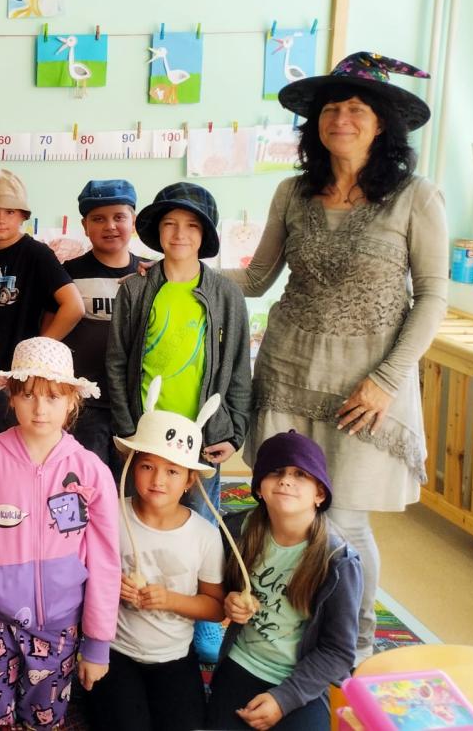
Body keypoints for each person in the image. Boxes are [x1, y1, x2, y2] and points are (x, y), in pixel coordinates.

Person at [225, 53, 448, 665]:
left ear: (382, 124)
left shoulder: (416, 197)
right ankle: (281, 634)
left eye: (356, 109)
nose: (341, 119)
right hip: (288, 373)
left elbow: (433, 296)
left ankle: (354, 646)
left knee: (345, 524)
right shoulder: (292, 193)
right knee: (284, 516)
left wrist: (386, 380)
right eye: (330, 109)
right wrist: (178, 270)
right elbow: (257, 278)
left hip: (366, 388)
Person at [0, 337, 120, 730]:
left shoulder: (92, 471)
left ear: (72, 401)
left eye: (53, 396)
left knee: (44, 718)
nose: (40, 408)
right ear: (12, 397)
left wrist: (98, 643)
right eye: (29, 395)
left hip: (60, 624)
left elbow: (105, 560)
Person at [106, 181, 251, 661]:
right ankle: (125, 613)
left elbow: (239, 369)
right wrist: (128, 427)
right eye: (170, 224)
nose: (180, 234)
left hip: (201, 437)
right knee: (141, 518)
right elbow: (117, 362)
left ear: (205, 235)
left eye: (191, 225)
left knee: (201, 524)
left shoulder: (226, 294)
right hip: (145, 435)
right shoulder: (136, 290)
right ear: (157, 231)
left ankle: (201, 618)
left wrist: (234, 431)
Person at [83, 383, 227, 731]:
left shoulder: (204, 536)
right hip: (116, 651)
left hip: (175, 656)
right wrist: (110, 586)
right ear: (131, 466)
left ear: (190, 479)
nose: (158, 480)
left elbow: (216, 607)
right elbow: (81, 572)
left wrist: (170, 600)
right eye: (147, 466)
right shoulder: (110, 515)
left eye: (173, 471)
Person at [205, 431, 361, 731]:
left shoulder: (339, 561)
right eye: (276, 472)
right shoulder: (237, 530)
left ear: (320, 494)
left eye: (300, 474)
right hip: (240, 664)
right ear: (259, 488)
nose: (286, 480)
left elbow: (339, 651)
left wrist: (284, 699)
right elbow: (219, 587)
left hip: (301, 680)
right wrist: (230, 601)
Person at [0, 169, 85, 379]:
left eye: (10, 212)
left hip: (24, 373)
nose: (0, 219)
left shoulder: (38, 255)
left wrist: (39, 351)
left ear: (23, 215)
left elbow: (74, 307)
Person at [62, 178, 142, 471]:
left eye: (119, 217)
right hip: (85, 404)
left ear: (133, 222)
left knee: (132, 485)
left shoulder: (151, 274)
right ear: (85, 226)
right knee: (85, 481)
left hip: (135, 404)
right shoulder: (67, 274)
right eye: (98, 219)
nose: (110, 226)